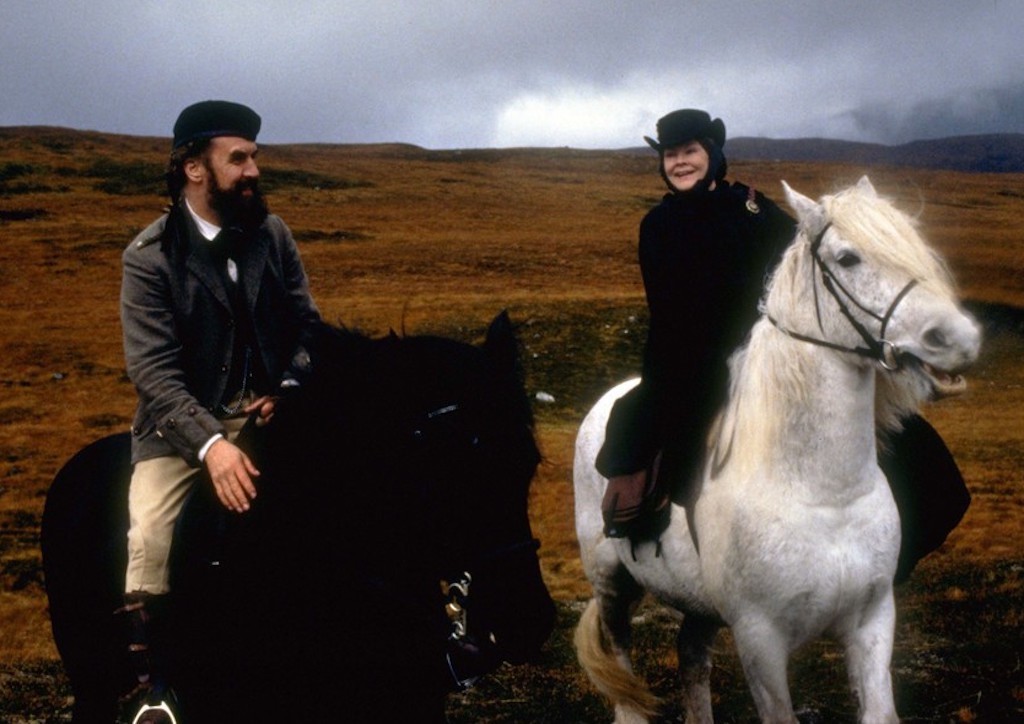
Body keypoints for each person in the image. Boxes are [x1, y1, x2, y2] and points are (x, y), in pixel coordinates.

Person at [597, 109, 970, 561]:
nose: (680, 163)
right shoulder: (657, 226)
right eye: (671, 155)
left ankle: (883, 558)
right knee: (671, 446)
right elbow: (672, 312)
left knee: (919, 457)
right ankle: (687, 549)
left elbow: (807, 269)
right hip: (693, 363)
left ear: (712, 155)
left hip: (778, 354)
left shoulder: (752, 208)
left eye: (689, 151)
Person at [118, 100, 321, 720]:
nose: (254, 169)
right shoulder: (148, 257)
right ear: (194, 169)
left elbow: (307, 328)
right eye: (239, 158)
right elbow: (153, 372)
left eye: (254, 156)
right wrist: (212, 444)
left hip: (273, 413)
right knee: (150, 530)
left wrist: (287, 385)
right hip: (182, 434)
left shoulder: (272, 234)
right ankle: (152, 688)